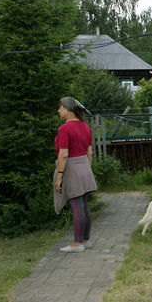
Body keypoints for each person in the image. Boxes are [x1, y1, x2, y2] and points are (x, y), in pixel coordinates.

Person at [53, 97, 98, 253]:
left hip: (71, 167)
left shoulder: (64, 129)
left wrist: (59, 176)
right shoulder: (85, 127)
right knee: (84, 205)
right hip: (85, 166)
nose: (58, 110)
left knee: (76, 205)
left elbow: (63, 154)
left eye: (60, 107)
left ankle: (77, 243)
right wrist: (87, 169)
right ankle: (86, 240)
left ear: (67, 108)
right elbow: (90, 152)